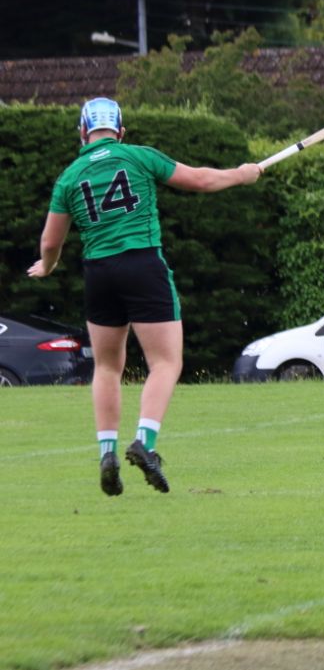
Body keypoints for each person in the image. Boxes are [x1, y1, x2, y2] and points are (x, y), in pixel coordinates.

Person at [27, 97, 262, 497]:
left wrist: (47, 266)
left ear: (82, 134)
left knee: (106, 367)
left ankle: (107, 452)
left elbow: (50, 241)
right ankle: (145, 442)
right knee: (166, 362)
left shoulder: (69, 177)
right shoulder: (138, 157)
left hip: (98, 274)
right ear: (120, 131)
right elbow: (201, 181)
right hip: (143, 266)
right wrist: (241, 174)